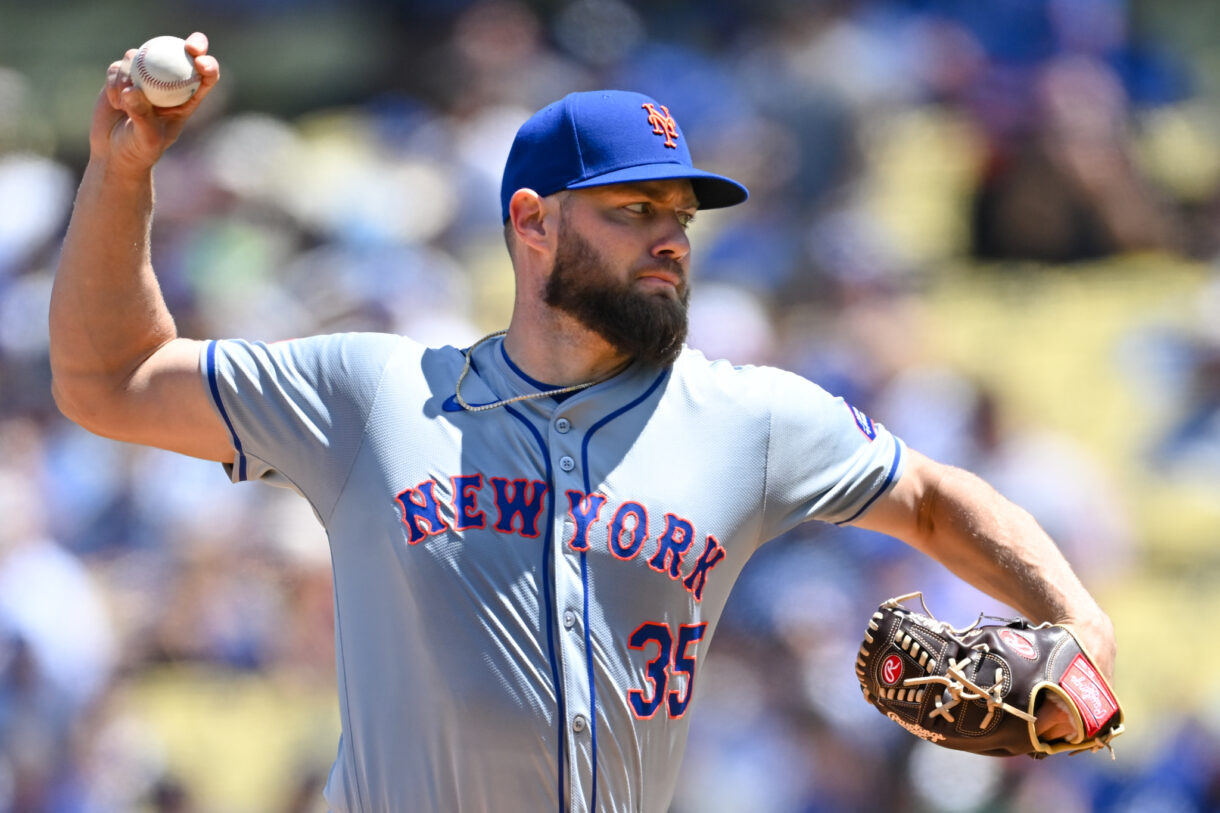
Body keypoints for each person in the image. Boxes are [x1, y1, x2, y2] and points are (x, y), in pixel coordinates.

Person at [49, 32, 1116, 813]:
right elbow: (114, 377)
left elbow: (931, 499)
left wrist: (1081, 625)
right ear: (531, 223)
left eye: (678, 218)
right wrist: (125, 173)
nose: (669, 241)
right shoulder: (375, 395)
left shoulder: (745, 417)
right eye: (632, 211)